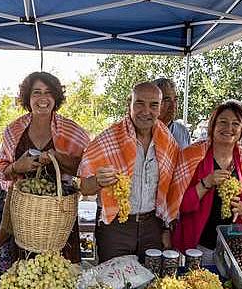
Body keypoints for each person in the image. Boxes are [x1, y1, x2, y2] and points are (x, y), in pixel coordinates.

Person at [79, 82, 185, 263]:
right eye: (139, 103)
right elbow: (84, 188)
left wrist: (166, 229)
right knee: (114, 287)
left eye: (153, 105)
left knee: (152, 285)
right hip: (115, 228)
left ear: (160, 108)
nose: (146, 111)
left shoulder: (168, 142)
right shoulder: (108, 139)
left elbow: (171, 191)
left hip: (153, 227)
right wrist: (98, 180)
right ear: (129, 104)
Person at [0, 72, 89, 263]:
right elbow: (1, 171)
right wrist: (16, 166)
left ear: (56, 97)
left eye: (48, 92)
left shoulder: (71, 131)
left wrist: (58, 158)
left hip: (59, 216)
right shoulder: (14, 130)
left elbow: (86, 168)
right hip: (25, 217)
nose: (42, 98)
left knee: (60, 273)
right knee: (25, 276)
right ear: (28, 98)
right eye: (36, 92)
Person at [171, 100, 242, 262]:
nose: (229, 128)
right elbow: (179, 205)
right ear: (213, 125)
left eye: (236, 123)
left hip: (234, 249)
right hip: (196, 247)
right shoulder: (191, 156)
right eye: (223, 122)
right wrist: (206, 183)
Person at [152, 78, 190, 148]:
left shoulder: (183, 132)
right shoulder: (141, 132)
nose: (173, 105)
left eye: (175, 99)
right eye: (167, 100)